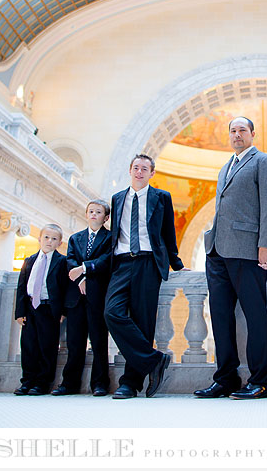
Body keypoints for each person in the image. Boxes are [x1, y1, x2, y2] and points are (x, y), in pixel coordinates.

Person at [69, 154, 185, 399]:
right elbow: (112, 237)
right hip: (121, 263)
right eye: (136, 167)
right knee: (111, 312)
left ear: (152, 173)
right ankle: (154, 360)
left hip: (147, 262)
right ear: (129, 170)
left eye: (145, 168)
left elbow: (168, 233)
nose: (139, 172)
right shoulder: (118, 198)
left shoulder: (161, 198)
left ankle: (130, 383)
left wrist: (176, 263)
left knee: (143, 323)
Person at [195, 116, 267, 400]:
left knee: (256, 315)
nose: (237, 134)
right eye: (232, 130)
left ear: (253, 134)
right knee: (220, 316)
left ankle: (262, 381)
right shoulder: (225, 167)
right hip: (217, 251)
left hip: (247, 251)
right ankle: (226, 379)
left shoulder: (263, 161)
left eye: (242, 130)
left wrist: (265, 245)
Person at [54, 200, 111, 396]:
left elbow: (105, 261)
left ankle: (100, 383)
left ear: (106, 217)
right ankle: (69, 384)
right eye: (91, 211)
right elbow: (70, 261)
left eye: (98, 212)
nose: (94, 214)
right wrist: (80, 280)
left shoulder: (110, 238)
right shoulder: (75, 238)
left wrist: (84, 269)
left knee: (99, 341)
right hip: (76, 297)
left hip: (98, 297)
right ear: (86, 214)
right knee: (74, 342)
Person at [14, 224, 68, 396]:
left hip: (49, 308)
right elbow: (22, 287)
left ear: (59, 243)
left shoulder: (62, 262)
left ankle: (42, 383)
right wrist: (20, 312)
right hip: (30, 308)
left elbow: (65, 288)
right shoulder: (29, 260)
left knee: (47, 346)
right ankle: (26, 381)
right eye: (46, 237)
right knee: (28, 346)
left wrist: (63, 311)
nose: (49, 241)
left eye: (54, 239)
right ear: (39, 239)